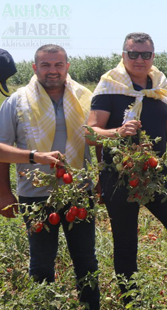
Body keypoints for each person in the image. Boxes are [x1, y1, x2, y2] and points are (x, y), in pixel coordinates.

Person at [86, 32, 167, 298]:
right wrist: (118, 132)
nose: (139, 59)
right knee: (126, 245)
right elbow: (89, 133)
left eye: (145, 54)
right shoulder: (110, 87)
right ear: (123, 56)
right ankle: (131, 302)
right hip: (120, 176)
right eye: (133, 54)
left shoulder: (159, 87)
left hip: (156, 173)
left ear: (153, 56)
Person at [0, 44, 100, 309]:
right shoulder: (17, 101)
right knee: (42, 261)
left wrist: (103, 177)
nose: (52, 71)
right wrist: (5, 191)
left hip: (79, 190)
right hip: (35, 194)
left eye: (58, 65)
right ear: (35, 68)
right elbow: (1, 149)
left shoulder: (86, 97)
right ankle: (43, 305)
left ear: (67, 66)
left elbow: (98, 139)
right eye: (45, 65)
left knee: (86, 260)